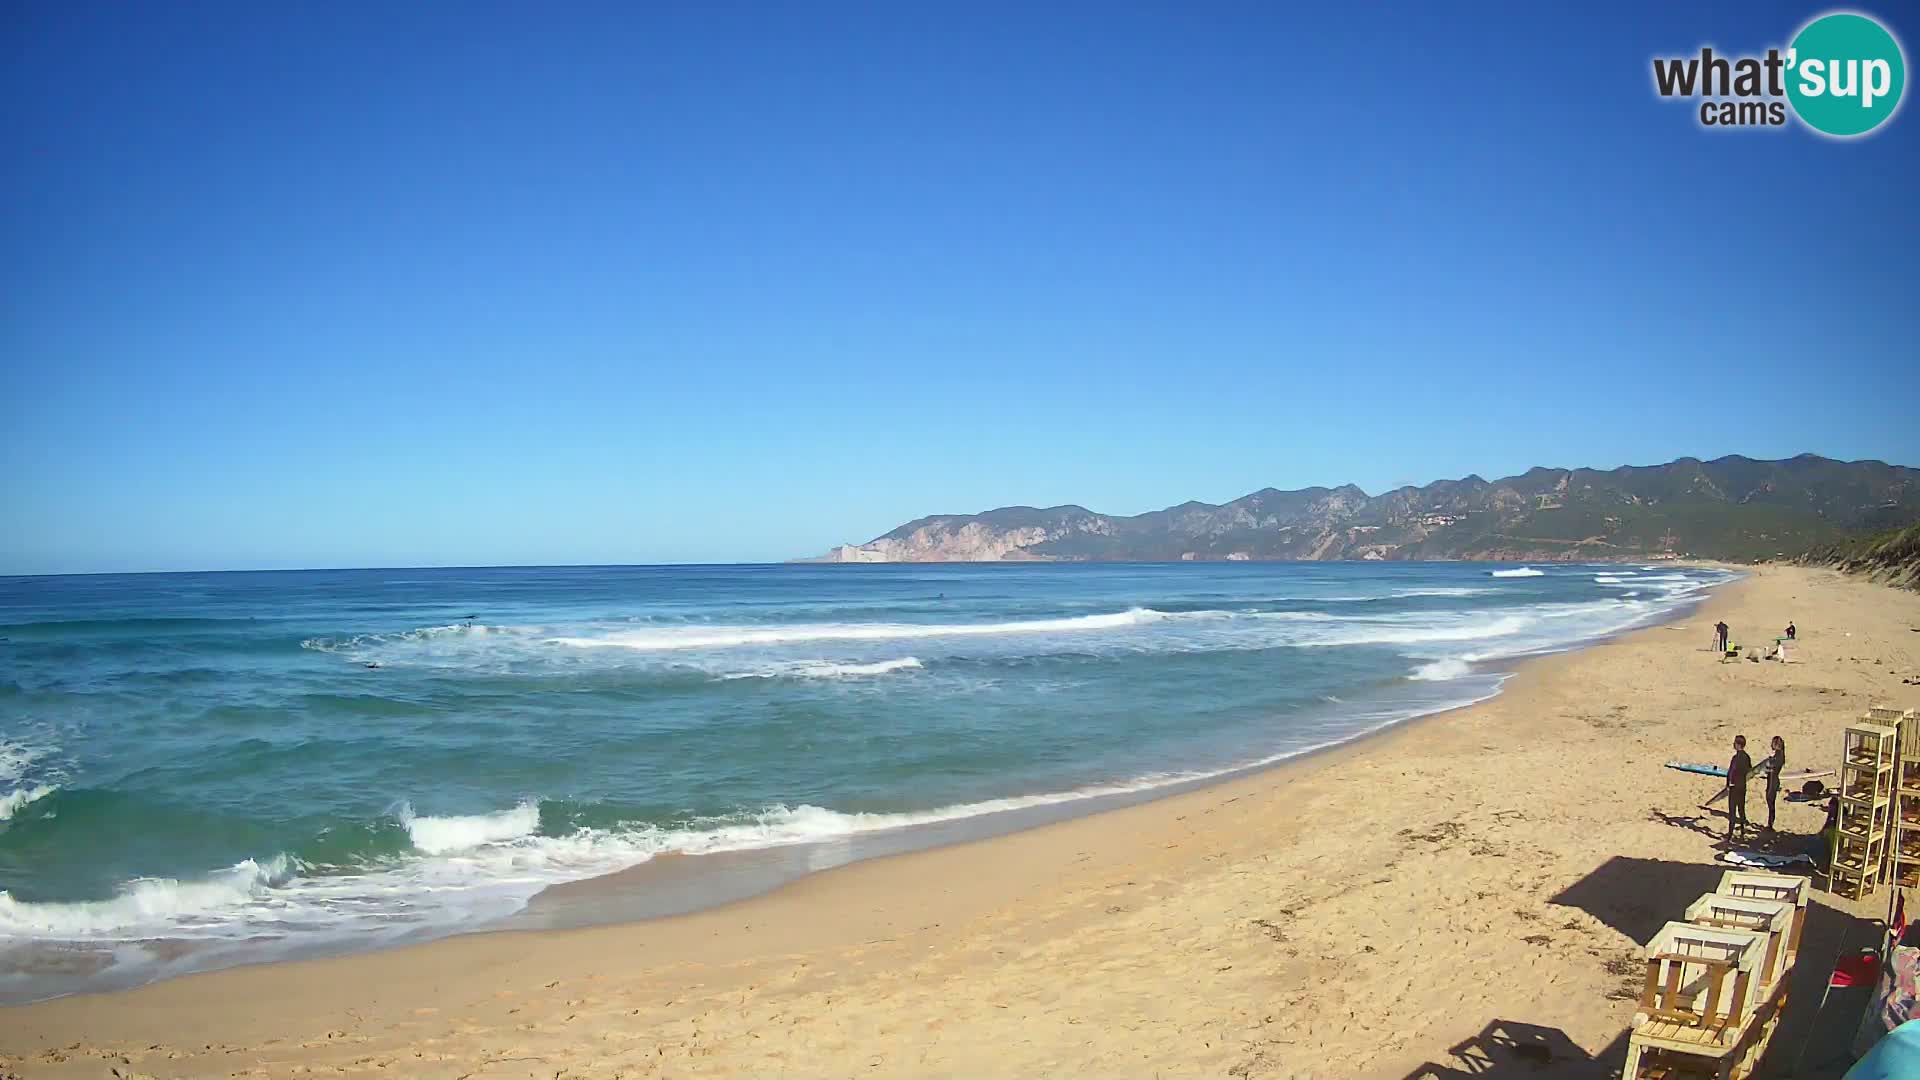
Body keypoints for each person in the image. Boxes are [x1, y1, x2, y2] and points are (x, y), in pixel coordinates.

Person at [1727, 735, 1753, 839]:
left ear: (1738, 745)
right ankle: (1742, 831)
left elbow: (1731, 772)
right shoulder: (1747, 757)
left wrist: (1728, 784)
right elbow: (1749, 770)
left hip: (1734, 786)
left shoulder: (1735, 758)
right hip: (1742, 785)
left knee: (1732, 811)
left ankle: (1730, 835)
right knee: (1741, 809)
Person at [1762, 736, 1786, 833]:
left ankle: (1770, 824)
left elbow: (1774, 768)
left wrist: (1768, 766)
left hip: (1773, 780)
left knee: (1770, 802)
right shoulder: (1778, 755)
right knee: (1770, 801)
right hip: (1772, 779)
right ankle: (1770, 823)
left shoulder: (1779, 756)